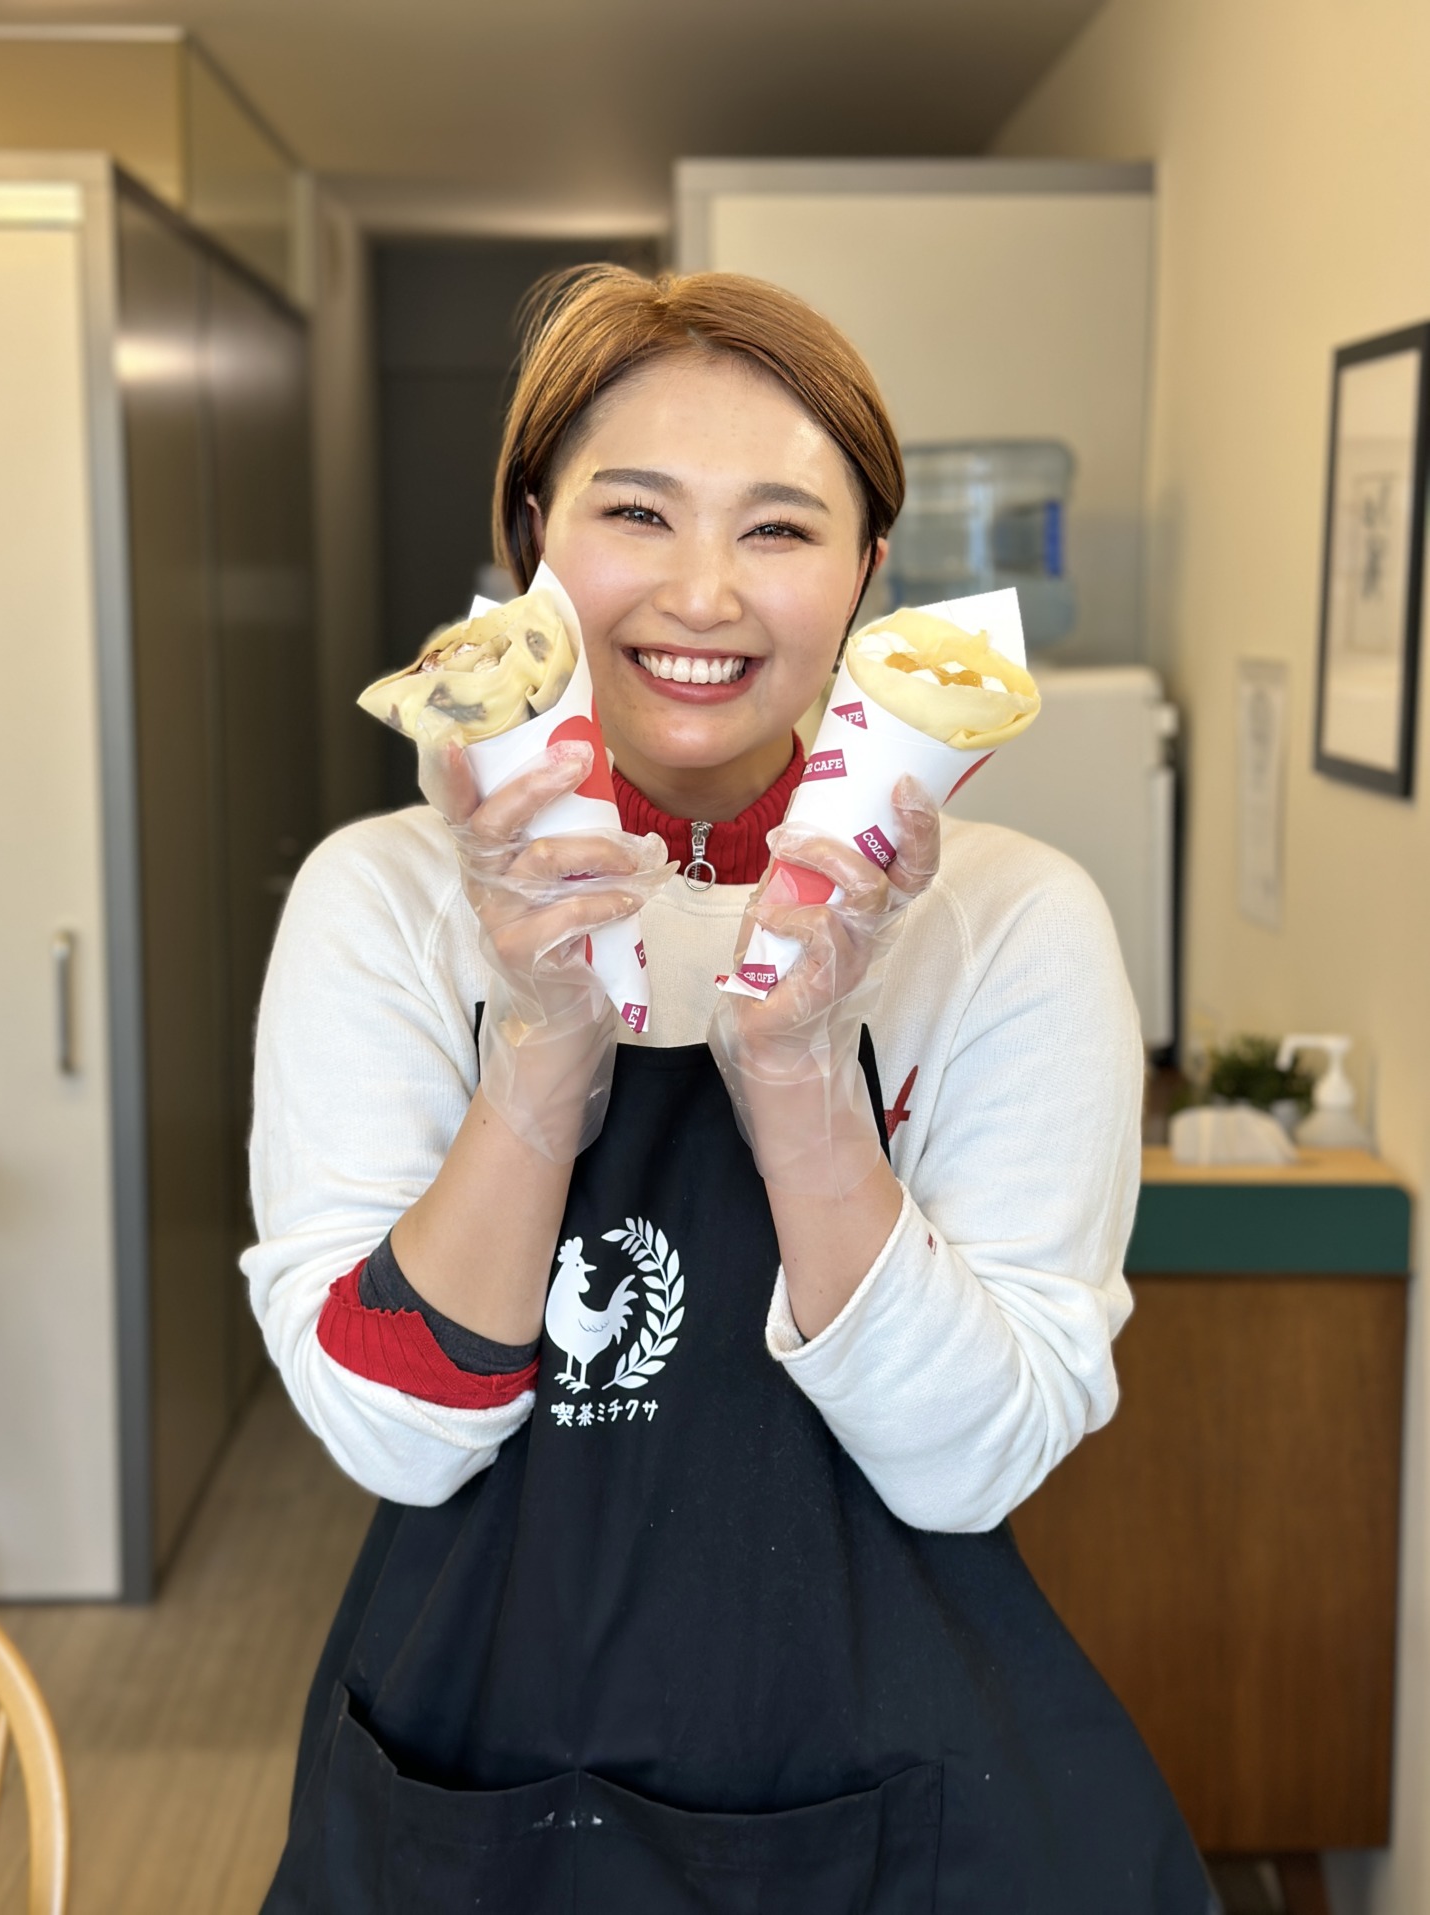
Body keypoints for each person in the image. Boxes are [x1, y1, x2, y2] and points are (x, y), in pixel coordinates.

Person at [244, 266, 1215, 1912]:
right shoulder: (385, 902)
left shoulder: (1012, 924)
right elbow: (394, 1433)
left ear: (868, 577)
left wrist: (799, 1074)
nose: (703, 594)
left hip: (905, 1810)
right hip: (490, 1803)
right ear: (534, 537)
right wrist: (542, 1044)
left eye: (779, 529)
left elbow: (970, 1464)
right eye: (637, 512)